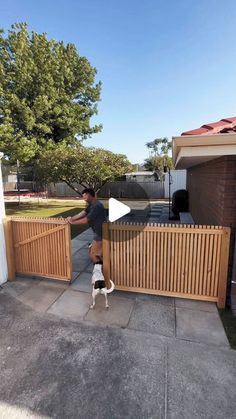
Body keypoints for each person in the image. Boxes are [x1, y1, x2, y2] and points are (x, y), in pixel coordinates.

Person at [68, 188, 106, 263]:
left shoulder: (97, 206)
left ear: (90, 195)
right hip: (98, 233)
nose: (84, 198)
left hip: (100, 234)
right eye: (83, 196)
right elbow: (82, 213)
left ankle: (99, 272)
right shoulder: (92, 205)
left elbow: (86, 219)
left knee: (93, 255)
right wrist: (71, 218)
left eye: (85, 196)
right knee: (97, 254)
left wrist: (73, 222)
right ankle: (102, 269)